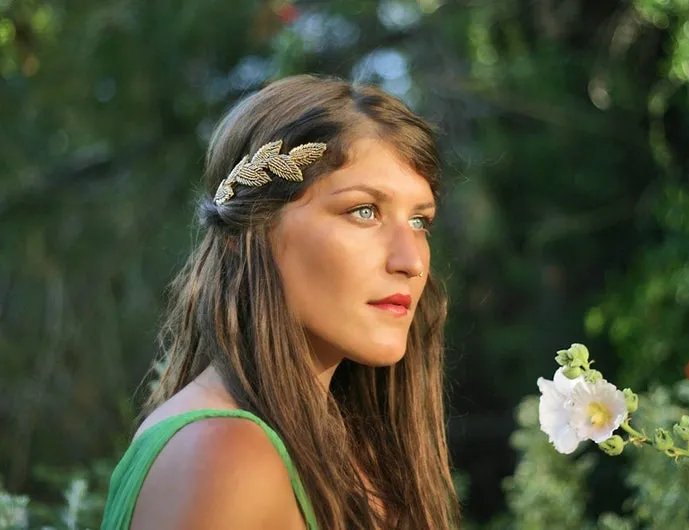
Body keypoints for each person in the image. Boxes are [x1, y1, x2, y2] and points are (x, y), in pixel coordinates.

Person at [100, 74, 461, 530]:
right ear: (253, 229)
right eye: (363, 211)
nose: (411, 261)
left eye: (418, 220)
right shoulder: (226, 456)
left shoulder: (346, 454)